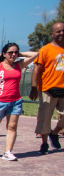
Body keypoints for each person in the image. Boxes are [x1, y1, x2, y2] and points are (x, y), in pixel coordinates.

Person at [29, 21, 64, 154]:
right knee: (44, 118)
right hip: (47, 89)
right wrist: (34, 87)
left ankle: (54, 133)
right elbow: (36, 69)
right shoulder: (45, 49)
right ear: (52, 34)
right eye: (58, 31)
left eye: (63, 31)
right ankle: (44, 144)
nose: (61, 33)